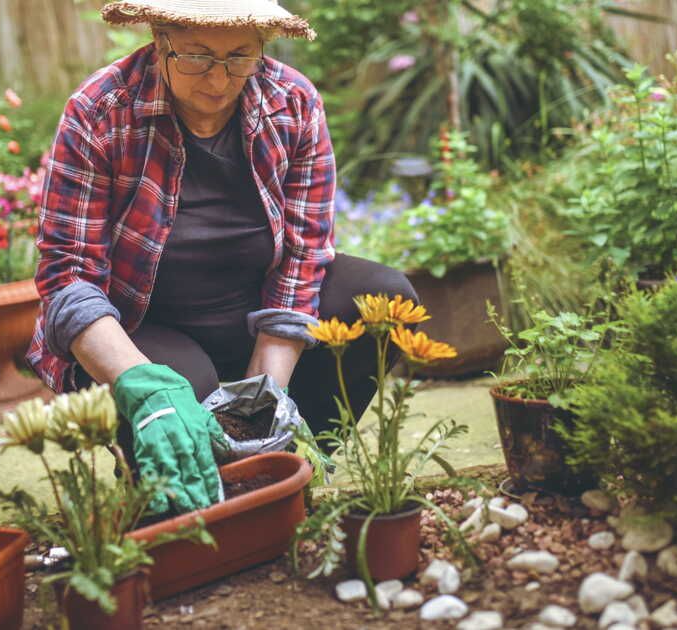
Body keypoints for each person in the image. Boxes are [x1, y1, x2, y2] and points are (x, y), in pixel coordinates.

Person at [27, 0, 418, 515]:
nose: (218, 79)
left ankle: (282, 467)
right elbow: (67, 275)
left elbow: (303, 255)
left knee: (384, 298)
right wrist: (142, 386)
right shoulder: (100, 111)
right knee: (187, 392)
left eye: (239, 57)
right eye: (196, 57)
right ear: (159, 40)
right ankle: (181, 490)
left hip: (254, 317)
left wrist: (265, 397)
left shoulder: (292, 103)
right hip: (142, 327)